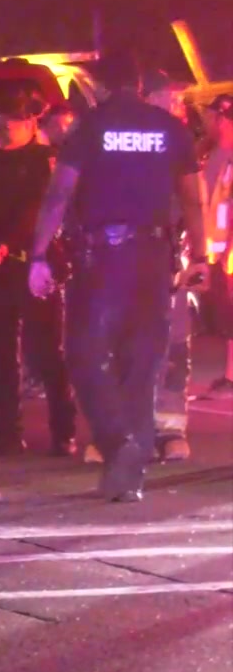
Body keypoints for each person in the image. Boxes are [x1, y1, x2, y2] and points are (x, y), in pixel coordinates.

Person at [28, 52, 210, 502]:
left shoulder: (90, 127)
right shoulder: (171, 128)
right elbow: (193, 198)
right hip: (155, 256)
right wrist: (201, 257)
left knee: (84, 355)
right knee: (143, 362)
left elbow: (58, 195)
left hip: (101, 258)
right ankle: (132, 464)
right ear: (140, 85)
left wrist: (37, 255)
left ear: (101, 87)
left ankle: (119, 443)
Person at [0, 90, 78, 456]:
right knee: (3, 352)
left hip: (35, 264)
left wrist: (7, 242)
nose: (3, 127)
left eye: (12, 121)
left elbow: (40, 207)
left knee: (46, 351)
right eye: (0, 120)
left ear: (30, 123)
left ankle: (63, 431)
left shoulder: (45, 160)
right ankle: (8, 430)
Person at [144, 70, 202, 461]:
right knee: (124, 345)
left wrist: (198, 257)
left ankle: (169, 429)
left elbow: (194, 204)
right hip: (128, 254)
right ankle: (125, 429)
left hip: (170, 256)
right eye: (172, 98)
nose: (178, 106)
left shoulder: (182, 144)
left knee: (175, 345)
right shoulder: (127, 138)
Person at [196, 94, 233, 398]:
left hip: (228, 252)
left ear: (223, 119)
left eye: (211, 117)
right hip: (216, 249)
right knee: (224, 313)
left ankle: (232, 379)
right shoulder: (216, 153)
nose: (207, 122)